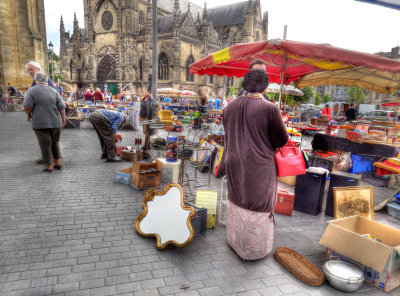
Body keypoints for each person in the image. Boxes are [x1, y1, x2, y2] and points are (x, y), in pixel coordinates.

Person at [223, 69, 288, 261]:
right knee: (258, 201)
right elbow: (281, 140)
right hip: (258, 166)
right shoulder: (269, 108)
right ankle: (252, 250)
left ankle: (235, 241)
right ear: (265, 87)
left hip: (234, 160)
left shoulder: (229, 106)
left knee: (237, 197)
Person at [23, 72, 66, 171]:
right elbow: (62, 107)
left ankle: (49, 165)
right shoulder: (54, 91)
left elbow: (27, 107)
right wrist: (63, 119)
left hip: (40, 122)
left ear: (36, 79)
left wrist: (29, 116)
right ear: (47, 80)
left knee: (45, 144)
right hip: (56, 122)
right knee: (55, 142)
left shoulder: (31, 91)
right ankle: (58, 162)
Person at [139, 87, 159, 151]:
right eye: (142, 91)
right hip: (143, 116)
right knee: (145, 131)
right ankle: (148, 144)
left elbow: (154, 110)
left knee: (147, 131)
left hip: (148, 117)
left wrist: (153, 117)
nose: (142, 93)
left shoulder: (151, 100)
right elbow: (141, 107)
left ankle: (145, 145)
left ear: (148, 92)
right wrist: (140, 115)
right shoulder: (143, 99)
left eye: (144, 91)